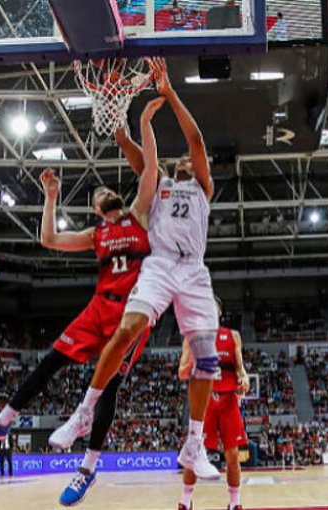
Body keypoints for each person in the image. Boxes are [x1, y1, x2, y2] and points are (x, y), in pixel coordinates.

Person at [0, 113, 160, 506]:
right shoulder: (95, 234)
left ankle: (87, 468)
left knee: (109, 389)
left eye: (105, 188)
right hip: (99, 308)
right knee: (49, 362)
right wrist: (51, 197)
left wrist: (139, 126)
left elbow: (151, 166)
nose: (102, 190)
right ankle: (1, 423)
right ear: (97, 210)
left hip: (132, 313)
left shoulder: (139, 214)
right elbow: (49, 239)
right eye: (96, 193)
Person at [51, 57, 222, 483]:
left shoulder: (202, 186)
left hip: (195, 272)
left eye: (189, 159)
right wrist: (124, 128)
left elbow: (197, 140)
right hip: (161, 265)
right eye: (179, 158)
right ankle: (84, 411)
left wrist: (169, 93)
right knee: (128, 329)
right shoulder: (160, 182)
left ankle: (194, 443)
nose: (185, 158)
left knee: (207, 361)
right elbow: (138, 155)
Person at [178, 296, 249, 510]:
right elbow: (181, 373)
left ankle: (235, 503)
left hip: (228, 401)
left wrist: (244, 378)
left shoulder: (232, 336)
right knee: (194, 455)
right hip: (204, 402)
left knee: (233, 455)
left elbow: (240, 368)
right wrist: (192, 361)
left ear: (218, 312)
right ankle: (185, 501)